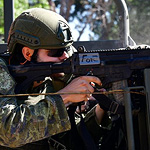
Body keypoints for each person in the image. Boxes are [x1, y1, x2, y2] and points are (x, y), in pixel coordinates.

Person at [0, 8, 117, 150]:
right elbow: (8, 132)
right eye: (56, 52)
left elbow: (69, 140)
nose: (65, 57)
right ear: (27, 52)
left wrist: (102, 107)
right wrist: (65, 97)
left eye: (66, 49)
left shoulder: (54, 78)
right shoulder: (3, 72)